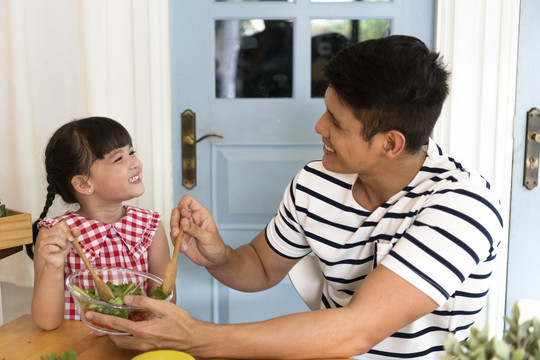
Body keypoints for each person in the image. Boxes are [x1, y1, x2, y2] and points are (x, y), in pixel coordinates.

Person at [86, 35, 503, 359]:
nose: (319, 127)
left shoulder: (462, 206)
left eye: (336, 122)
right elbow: (262, 267)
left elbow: (358, 329)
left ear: (390, 143)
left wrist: (196, 337)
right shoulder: (316, 182)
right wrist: (218, 255)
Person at [31, 116, 175, 331]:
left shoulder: (149, 225)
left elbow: (166, 307)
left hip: (134, 344)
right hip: (78, 346)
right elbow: (46, 323)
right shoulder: (56, 235)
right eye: (119, 159)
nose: (135, 163)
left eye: (131, 152)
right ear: (84, 183)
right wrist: (53, 265)